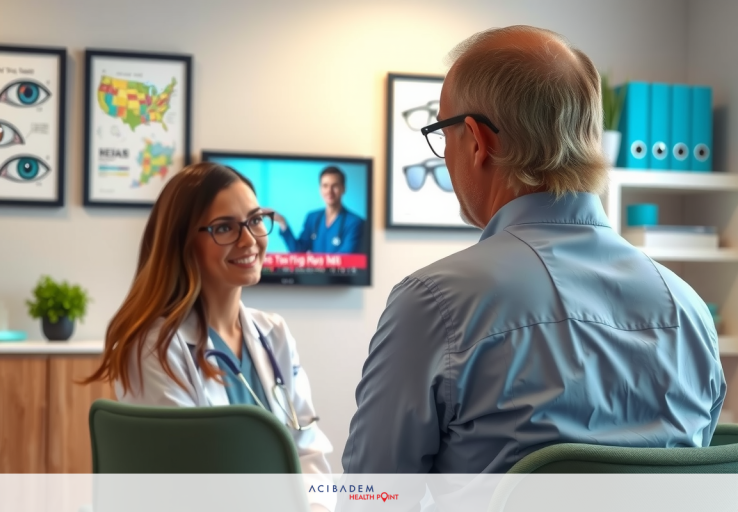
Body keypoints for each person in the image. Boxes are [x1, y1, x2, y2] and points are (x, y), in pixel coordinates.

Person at [342, 25, 726, 477]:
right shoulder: (691, 310)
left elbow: (372, 495)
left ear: (477, 140)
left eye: (442, 135)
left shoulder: (433, 304)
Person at [85, 162, 334, 512]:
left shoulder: (273, 332)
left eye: (255, 220)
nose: (249, 240)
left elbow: (307, 447)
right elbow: (189, 481)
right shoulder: (153, 347)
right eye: (224, 228)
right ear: (182, 242)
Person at [274, 166, 364, 253]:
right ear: (320, 189)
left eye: (335, 186)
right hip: (316, 269)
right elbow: (298, 251)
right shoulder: (312, 218)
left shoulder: (355, 223)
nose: (329, 191)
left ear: (343, 189)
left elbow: (346, 259)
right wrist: (282, 222)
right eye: (325, 186)